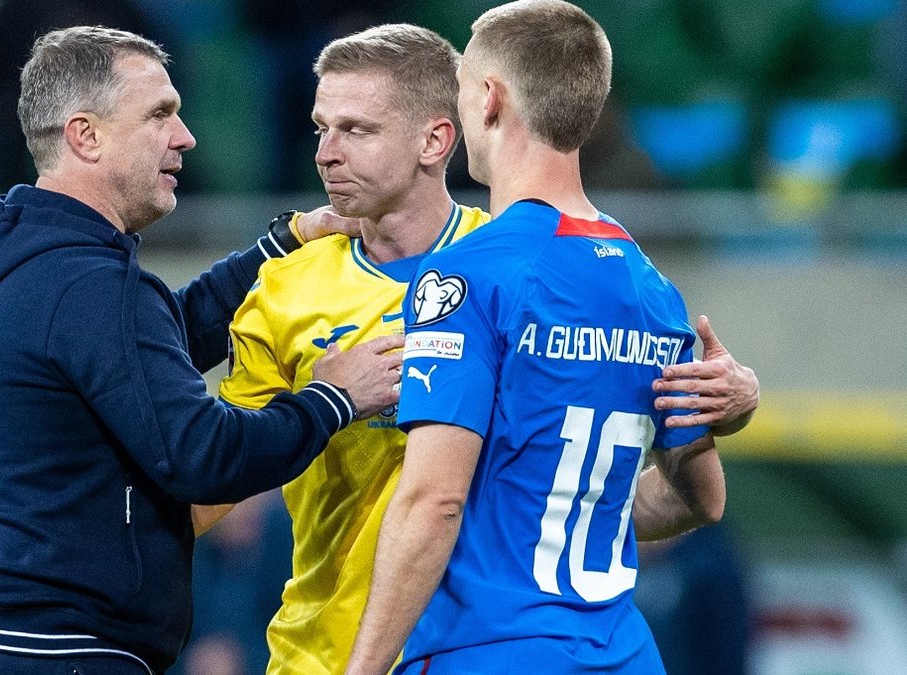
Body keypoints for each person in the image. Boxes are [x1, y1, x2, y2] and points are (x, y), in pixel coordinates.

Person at [208, 21, 758, 675]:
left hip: (480, 650)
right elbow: (697, 499)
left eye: (463, 90)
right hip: (621, 653)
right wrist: (733, 404)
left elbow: (434, 502)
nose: (328, 151)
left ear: (487, 100)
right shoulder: (648, 286)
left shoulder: (467, 275)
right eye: (323, 128)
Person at [0, 26, 402, 675]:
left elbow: (147, 346)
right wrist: (332, 398)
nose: (185, 136)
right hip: (65, 653)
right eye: (159, 114)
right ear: (85, 136)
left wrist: (277, 248)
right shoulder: (89, 285)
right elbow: (205, 456)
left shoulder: (27, 266)